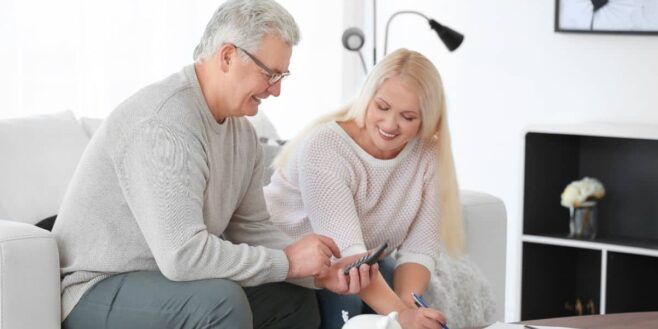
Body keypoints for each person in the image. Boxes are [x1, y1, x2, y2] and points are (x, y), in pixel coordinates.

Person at [52, 1, 377, 328]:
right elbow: (183, 256)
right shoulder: (164, 123)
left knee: (290, 300)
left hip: (166, 281)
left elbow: (252, 229)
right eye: (270, 74)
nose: (276, 90)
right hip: (97, 290)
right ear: (227, 57)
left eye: (283, 76)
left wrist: (318, 274)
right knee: (221, 301)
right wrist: (288, 263)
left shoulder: (243, 135)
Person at [263, 48, 463, 329]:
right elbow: (347, 254)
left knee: (393, 283)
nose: (390, 125)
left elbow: (419, 250)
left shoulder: (428, 154)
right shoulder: (325, 146)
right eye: (382, 107)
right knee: (349, 303)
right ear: (367, 98)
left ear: (426, 119)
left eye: (407, 117)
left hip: (354, 265)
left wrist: (407, 309)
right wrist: (400, 317)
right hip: (291, 265)